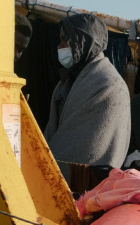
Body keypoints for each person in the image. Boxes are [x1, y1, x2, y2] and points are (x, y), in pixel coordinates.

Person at [44, 13, 131, 181]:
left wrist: (51, 173)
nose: (59, 46)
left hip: (88, 186)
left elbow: (89, 150)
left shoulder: (108, 84)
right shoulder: (66, 81)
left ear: (83, 41)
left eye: (65, 40)